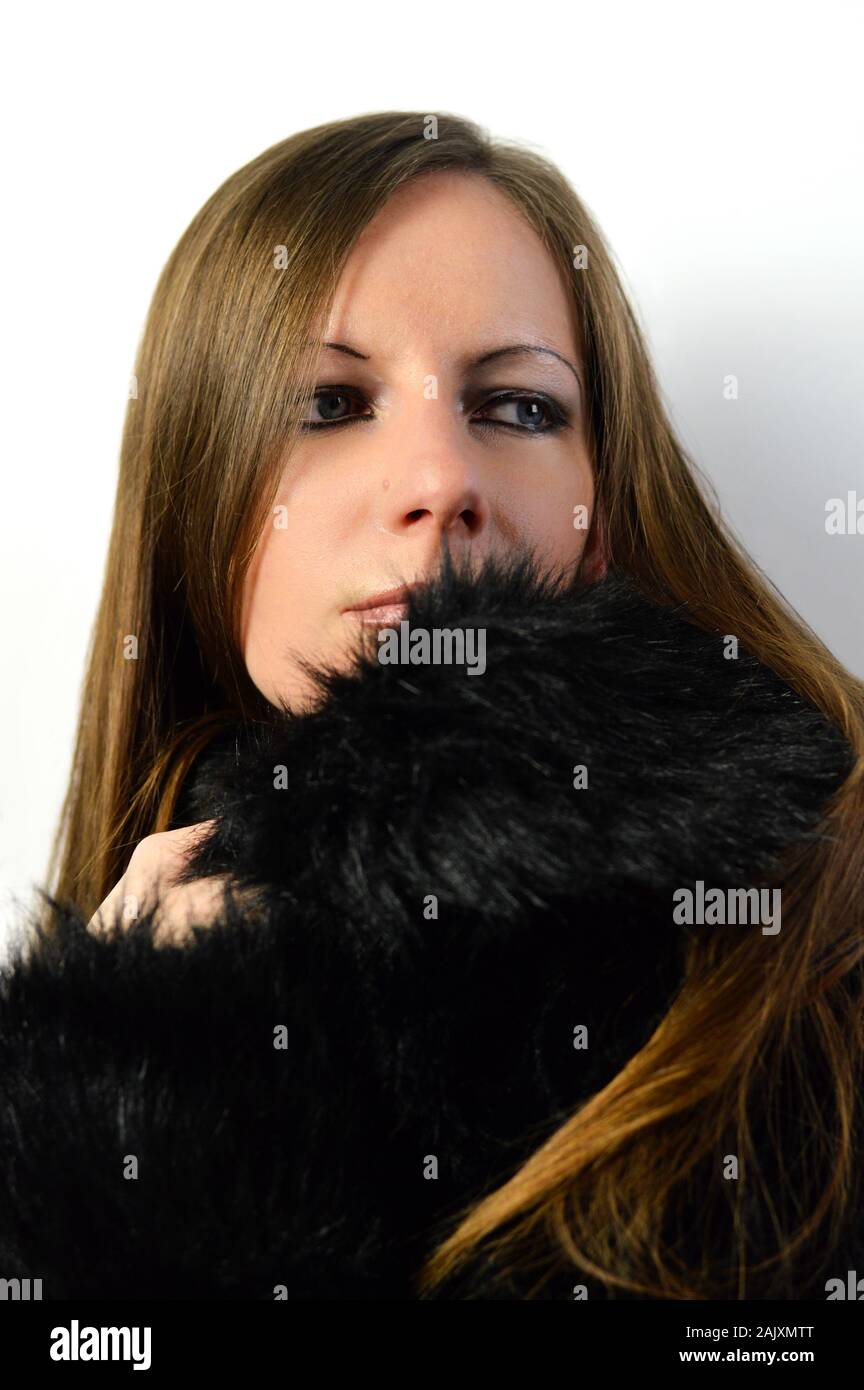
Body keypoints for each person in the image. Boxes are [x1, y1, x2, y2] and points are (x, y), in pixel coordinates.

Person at [1, 111, 862, 1301]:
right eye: (329, 404)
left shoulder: (823, 943)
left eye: (518, 408)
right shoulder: (88, 1038)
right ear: (195, 502)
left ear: (599, 515)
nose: (443, 480)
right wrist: (123, 1096)